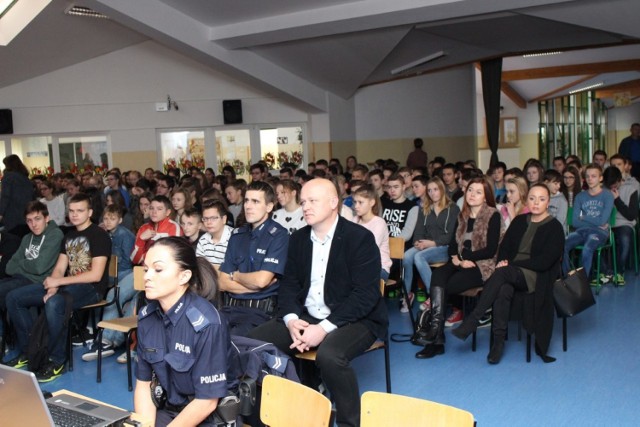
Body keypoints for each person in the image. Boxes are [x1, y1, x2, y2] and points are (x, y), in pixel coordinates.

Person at [248, 178, 388, 427]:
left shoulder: (360, 238)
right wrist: (291, 320)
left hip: (355, 317)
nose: (306, 207)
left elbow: (365, 296)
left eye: (313, 201)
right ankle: (271, 418)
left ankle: (349, 423)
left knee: (330, 356)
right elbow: (289, 284)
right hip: (307, 314)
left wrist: (322, 329)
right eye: (303, 202)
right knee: (252, 345)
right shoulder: (299, 239)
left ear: (334, 203)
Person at [452, 184, 564, 364]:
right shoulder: (520, 221)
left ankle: (473, 319)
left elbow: (545, 262)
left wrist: (511, 263)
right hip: (510, 272)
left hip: (535, 276)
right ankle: (497, 344)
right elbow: (503, 248)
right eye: (532, 198)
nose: (536, 203)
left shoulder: (555, 227)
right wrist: (505, 262)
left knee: (503, 273)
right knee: (503, 289)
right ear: (527, 200)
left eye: (541, 199)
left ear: (548, 202)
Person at [134, 237, 240, 427]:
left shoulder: (207, 324)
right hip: (169, 411)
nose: (147, 276)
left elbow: (206, 402)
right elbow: (144, 385)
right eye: (146, 269)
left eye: (158, 269)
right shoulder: (146, 318)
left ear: (184, 276)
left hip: (210, 418)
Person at [6, 193, 111, 381]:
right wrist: (53, 285)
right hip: (68, 286)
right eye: (71, 211)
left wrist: (58, 284)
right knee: (14, 297)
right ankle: (30, 350)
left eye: (80, 210)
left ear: (90, 212)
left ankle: (56, 360)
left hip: (91, 289)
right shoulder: (69, 236)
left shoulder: (99, 235)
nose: (75, 214)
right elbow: (60, 267)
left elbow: (95, 275)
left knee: (55, 303)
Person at [415, 177, 501, 359]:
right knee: (438, 276)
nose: (472, 195)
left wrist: (465, 257)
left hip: (482, 265)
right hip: (459, 261)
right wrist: (456, 258)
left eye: (478, 192)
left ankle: (435, 338)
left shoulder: (493, 215)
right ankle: (436, 337)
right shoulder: (462, 214)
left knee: (447, 286)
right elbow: (454, 243)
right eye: (470, 190)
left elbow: (491, 249)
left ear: (486, 197)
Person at [218, 181, 289, 336]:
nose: (248, 206)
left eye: (256, 201)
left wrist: (235, 275)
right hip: (229, 309)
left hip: (259, 313)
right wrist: (256, 286)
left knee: (232, 341)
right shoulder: (237, 235)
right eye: (247, 201)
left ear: (269, 207)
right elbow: (222, 282)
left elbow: (261, 280)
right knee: (205, 335)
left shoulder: (278, 235)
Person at [0, 201, 64, 359]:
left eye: (37, 219)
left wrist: (22, 264)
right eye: (29, 221)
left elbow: (40, 267)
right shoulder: (27, 238)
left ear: (46, 218)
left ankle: (29, 347)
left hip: (42, 282)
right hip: (20, 278)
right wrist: (26, 266)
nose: (33, 224)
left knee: (9, 296)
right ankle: (7, 338)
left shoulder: (55, 235)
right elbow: (9, 266)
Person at [82, 204, 136, 362]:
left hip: (125, 272)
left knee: (112, 292)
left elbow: (127, 262)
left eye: (112, 219)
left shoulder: (125, 235)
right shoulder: (104, 233)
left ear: (120, 220)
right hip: (111, 273)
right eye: (105, 218)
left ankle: (106, 339)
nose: (108, 221)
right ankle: (96, 331)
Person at [404, 177, 459, 306]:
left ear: (442, 189)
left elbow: (451, 235)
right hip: (425, 245)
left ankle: (434, 295)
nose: (433, 193)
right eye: (429, 190)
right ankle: (407, 294)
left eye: (435, 189)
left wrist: (432, 243)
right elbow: (419, 231)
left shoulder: (453, 208)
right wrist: (418, 242)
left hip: (444, 247)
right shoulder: (425, 208)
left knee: (418, 257)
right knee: (406, 256)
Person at [562, 164, 614, 279]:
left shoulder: (607, 196)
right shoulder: (580, 196)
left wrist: (584, 216)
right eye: (588, 176)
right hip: (581, 231)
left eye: (593, 176)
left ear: (600, 178)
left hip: (599, 233)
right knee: (562, 246)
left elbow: (603, 220)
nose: (590, 179)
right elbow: (575, 221)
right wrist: (595, 221)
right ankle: (568, 277)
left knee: (588, 248)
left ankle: (583, 281)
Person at [603, 166, 637, 284]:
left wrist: (617, 200)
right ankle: (607, 271)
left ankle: (619, 271)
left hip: (624, 223)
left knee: (625, 239)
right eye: (609, 185)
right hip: (606, 224)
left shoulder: (631, 189)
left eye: (614, 184)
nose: (612, 187)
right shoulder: (603, 189)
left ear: (619, 180)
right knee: (595, 239)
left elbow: (631, 215)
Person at [351, 185, 392, 281]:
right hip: (357, 266)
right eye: (355, 202)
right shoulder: (354, 220)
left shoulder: (379, 223)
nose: (356, 206)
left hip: (379, 267)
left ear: (372, 202)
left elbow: (369, 250)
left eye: (360, 202)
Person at [131, 195, 183, 266]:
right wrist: (141, 240)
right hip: (145, 271)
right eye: (151, 208)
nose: (154, 212)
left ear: (167, 212)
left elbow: (176, 257)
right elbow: (135, 260)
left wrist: (148, 254)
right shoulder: (144, 228)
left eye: (159, 209)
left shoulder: (174, 227)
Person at [0, 154, 34, 237]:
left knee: (13, 243)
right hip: (26, 216)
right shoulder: (26, 178)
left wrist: (0, 213)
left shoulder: (8, 177)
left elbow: (5, 197)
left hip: (13, 217)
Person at [380, 173, 418, 246]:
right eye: (389, 187)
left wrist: (389, 243)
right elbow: (379, 226)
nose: (392, 190)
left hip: (401, 246)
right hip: (383, 244)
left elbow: (407, 233)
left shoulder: (412, 206)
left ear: (403, 187)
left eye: (396, 187)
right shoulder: (384, 204)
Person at [197, 200, 233, 269]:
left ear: (224, 219)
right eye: (205, 219)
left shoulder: (235, 238)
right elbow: (201, 267)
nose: (209, 222)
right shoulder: (203, 240)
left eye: (213, 218)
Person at [544, 169, 568, 234]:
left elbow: (560, 222)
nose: (559, 186)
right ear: (546, 182)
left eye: (559, 184)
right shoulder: (541, 197)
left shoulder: (562, 200)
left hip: (557, 233)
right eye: (555, 183)